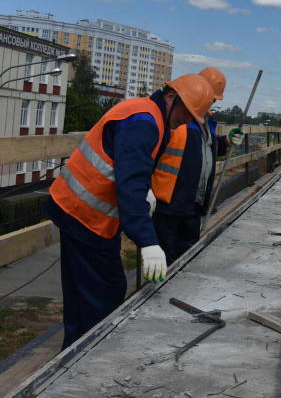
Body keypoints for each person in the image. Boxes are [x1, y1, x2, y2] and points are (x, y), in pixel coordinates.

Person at [45, 74, 215, 349]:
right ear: (172, 97)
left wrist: (146, 191)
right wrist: (148, 243)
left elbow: (134, 171)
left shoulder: (153, 118)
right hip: (81, 213)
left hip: (93, 215)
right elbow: (130, 186)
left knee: (99, 290)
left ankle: (79, 346)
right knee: (98, 293)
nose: (185, 120)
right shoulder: (144, 122)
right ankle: (80, 352)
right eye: (186, 113)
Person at [151, 67, 244, 265]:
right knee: (165, 261)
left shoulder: (206, 123)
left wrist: (226, 142)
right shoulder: (177, 117)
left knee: (187, 260)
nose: (212, 102)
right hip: (168, 205)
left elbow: (204, 153)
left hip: (193, 205)